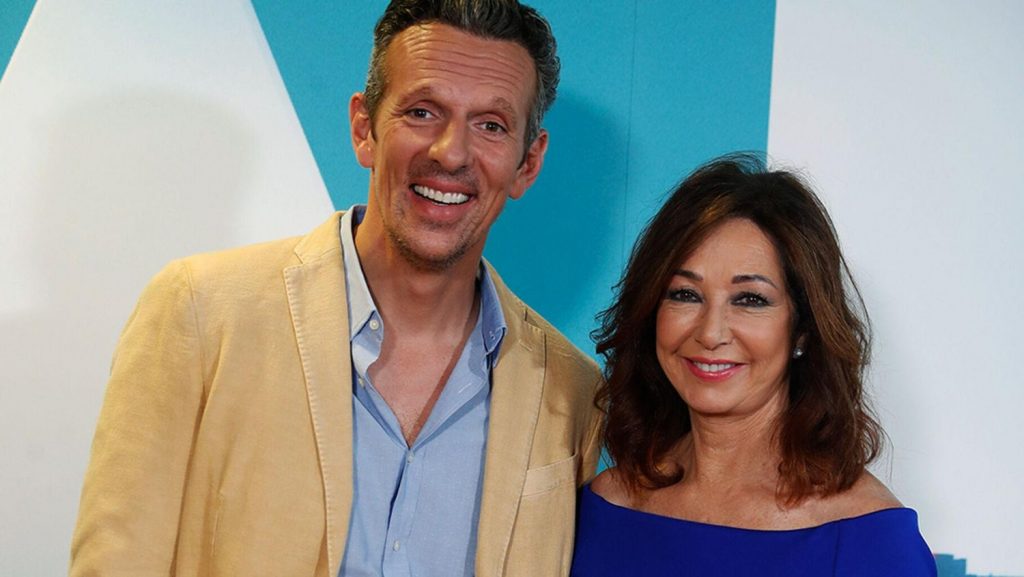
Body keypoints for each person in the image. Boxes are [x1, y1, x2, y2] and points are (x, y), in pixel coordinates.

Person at [70, 1, 604, 576]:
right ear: (363, 129)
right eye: (422, 112)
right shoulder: (200, 313)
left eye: (491, 125)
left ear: (528, 163)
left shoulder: (571, 391)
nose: (451, 152)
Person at [571, 155, 936, 576]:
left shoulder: (870, 541)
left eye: (750, 300)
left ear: (802, 330)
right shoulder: (605, 507)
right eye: (685, 294)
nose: (710, 333)